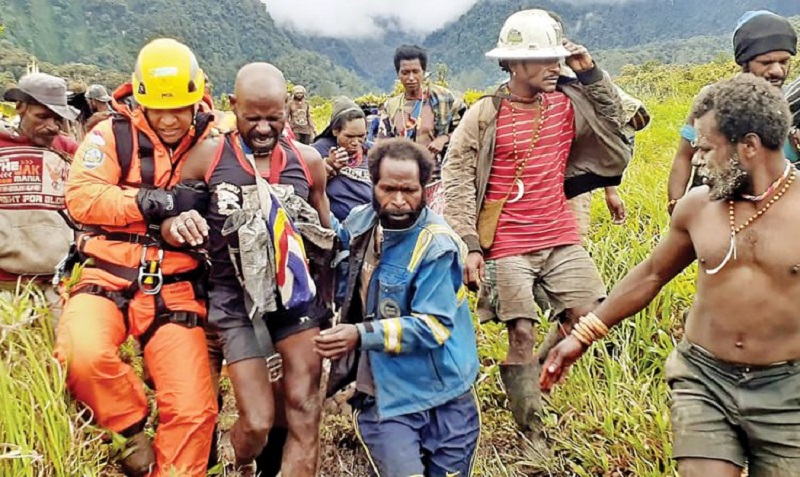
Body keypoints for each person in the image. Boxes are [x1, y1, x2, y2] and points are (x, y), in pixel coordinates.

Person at [542, 73, 800, 477]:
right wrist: (583, 334)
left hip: (788, 390)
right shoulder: (698, 207)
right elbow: (650, 274)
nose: (696, 160)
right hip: (705, 379)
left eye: (707, 149)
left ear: (749, 146)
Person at [442, 9, 630, 461]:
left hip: (560, 234)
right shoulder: (485, 114)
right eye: (543, 60)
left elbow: (618, 116)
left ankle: (540, 377)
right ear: (512, 64)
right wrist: (469, 245)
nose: (553, 67)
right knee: (520, 334)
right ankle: (533, 436)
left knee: (590, 316)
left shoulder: (567, 101)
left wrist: (588, 70)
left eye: (555, 59)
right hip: (507, 243)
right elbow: (457, 177)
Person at [54, 38, 218, 477]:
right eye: (158, 109)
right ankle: (129, 428)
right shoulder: (110, 134)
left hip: (176, 287)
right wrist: (152, 202)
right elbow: (83, 197)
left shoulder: (215, 139)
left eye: (179, 109)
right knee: (80, 353)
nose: (168, 120)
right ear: (139, 99)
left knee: (193, 409)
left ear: (197, 99)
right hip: (105, 274)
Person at [175, 62, 331, 476]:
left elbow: (324, 234)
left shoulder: (308, 161)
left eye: (274, 118)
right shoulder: (206, 159)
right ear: (233, 107)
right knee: (258, 421)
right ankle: (241, 462)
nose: (263, 128)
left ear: (288, 110)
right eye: (252, 118)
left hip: (294, 297)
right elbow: (176, 224)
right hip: (233, 302)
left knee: (303, 404)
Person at [318, 138, 480, 477]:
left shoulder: (436, 244)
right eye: (388, 189)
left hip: (444, 389)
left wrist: (360, 335)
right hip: (384, 391)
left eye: (410, 190)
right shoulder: (362, 224)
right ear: (372, 184)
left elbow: (434, 326)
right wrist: (316, 193)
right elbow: (334, 248)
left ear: (425, 189)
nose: (399, 201)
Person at [667, 10, 797, 214]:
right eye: (766, 63)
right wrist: (676, 209)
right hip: (713, 214)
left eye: (784, 61)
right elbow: (684, 157)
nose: (777, 71)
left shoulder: (794, 107)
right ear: (744, 61)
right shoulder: (712, 103)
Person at [0, 73, 79, 308]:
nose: (52, 127)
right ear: (21, 108)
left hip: (56, 283)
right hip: (4, 284)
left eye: (58, 119)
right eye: (42, 117)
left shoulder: (70, 152)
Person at [378, 44, 465, 214]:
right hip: (404, 184)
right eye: (405, 72)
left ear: (424, 72)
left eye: (415, 71)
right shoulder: (391, 107)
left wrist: (444, 138)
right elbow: (382, 146)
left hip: (439, 181)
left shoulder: (444, 100)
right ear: (398, 75)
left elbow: (467, 131)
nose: (411, 77)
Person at [311, 96, 372, 222]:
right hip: (338, 224)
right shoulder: (318, 151)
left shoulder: (373, 151)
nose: (356, 142)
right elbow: (306, 186)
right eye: (349, 136)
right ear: (335, 131)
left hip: (372, 221)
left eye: (361, 136)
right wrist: (328, 166)